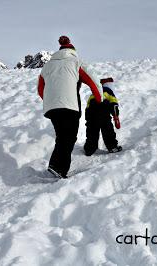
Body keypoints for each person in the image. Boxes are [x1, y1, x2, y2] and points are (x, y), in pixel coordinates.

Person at [37, 36, 103, 178]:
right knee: (69, 137)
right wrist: (100, 99)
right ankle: (59, 169)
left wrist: (51, 101)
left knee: (62, 135)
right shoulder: (76, 62)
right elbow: (93, 81)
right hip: (70, 107)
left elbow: (40, 88)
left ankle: (55, 165)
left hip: (52, 107)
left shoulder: (47, 66)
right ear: (73, 50)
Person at [84, 77, 122, 156]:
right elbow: (114, 105)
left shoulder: (93, 93)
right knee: (107, 130)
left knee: (92, 131)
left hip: (91, 113)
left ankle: (89, 149)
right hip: (103, 111)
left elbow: (87, 107)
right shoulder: (109, 91)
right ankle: (112, 147)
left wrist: (88, 119)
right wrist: (116, 116)